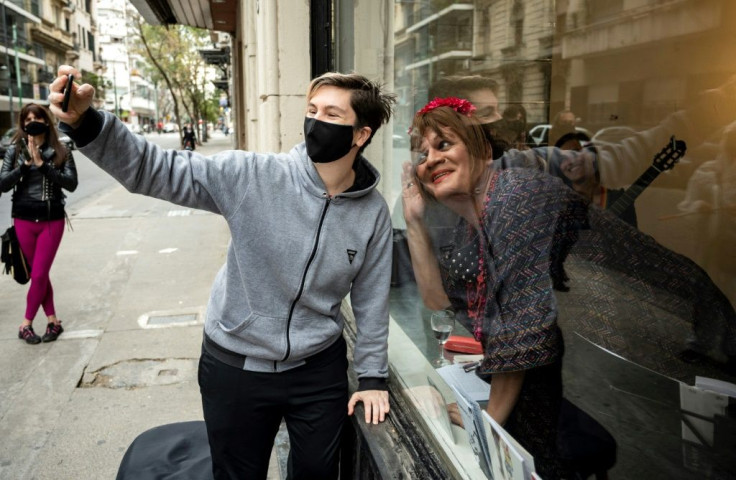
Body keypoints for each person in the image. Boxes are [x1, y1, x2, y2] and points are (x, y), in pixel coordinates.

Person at [49, 66, 396, 480]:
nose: (316, 122)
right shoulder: (253, 176)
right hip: (235, 365)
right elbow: (152, 168)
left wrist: (373, 376)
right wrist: (86, 122)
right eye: (312, 109)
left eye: (333, 115)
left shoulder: (372, 213)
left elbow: (372, 299)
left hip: (318, 370)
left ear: (361, 134)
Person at [401, 97, 736, 479]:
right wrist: (413, 219)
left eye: (444, 145)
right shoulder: (475, 216)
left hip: (680, 333)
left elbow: (520, 331)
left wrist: (486, 422)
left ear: (479, 146)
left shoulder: (518, 197)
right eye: (422, 153)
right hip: (584, 357)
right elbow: (437, 299)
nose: (430, 159)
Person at [0, 103, 78, 344]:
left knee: (41, 272)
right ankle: (53, 321)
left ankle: (26, 324)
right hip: (23, 218)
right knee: (38, 275)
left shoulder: (61, 149)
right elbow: (3, 184)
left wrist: (43, 165)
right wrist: (25, 165)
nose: (32, 122)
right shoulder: (14, 150)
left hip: (51, 219)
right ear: (23, 123)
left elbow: (71, 183)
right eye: (28, 118)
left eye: (37, 117)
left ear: (46, 121)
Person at [554, 131, 638, 227]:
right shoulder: (559, 204)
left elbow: (634, 240)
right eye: (562, 159)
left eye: (574, 152)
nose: (569, 162)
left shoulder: (619, 199)